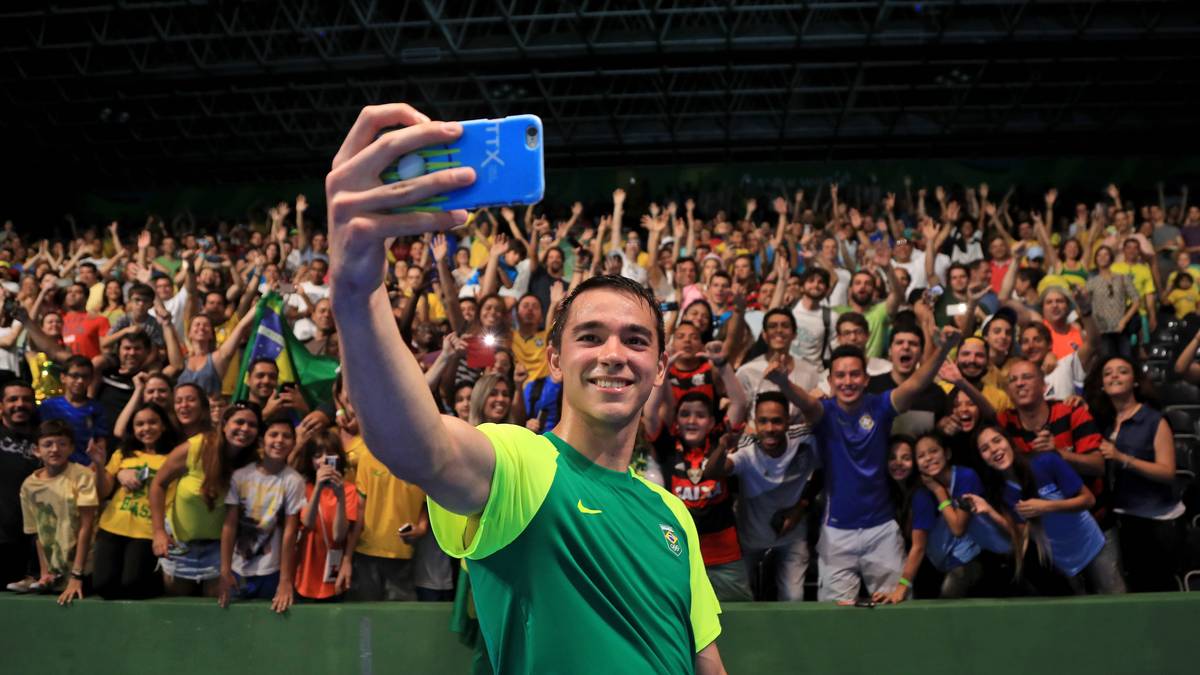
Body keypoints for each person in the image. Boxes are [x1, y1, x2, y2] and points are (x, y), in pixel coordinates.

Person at [331, 107, 723, 674]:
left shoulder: (672, 515)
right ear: (556, 360)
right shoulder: (523, 465)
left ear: (660, 368)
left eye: (635, 340)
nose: (614, 353)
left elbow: (705, 660)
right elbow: (417, 447)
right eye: (591, 337)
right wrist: (356, 289)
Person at [763, 326, 961, 603]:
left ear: (866, 379)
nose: (848, 381)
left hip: (882, 531)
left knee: (897, 610)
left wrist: (945, 347)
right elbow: (806, 402)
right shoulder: (824, 412)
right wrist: (783, 383)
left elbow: (916, 383)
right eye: (840, 376)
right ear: (830, 382)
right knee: (836, 621)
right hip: (836, 534)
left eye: (855, 374)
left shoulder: (881, 407)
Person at [974, 424, 1125, 594]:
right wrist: (989, 511)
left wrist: (1046, 506)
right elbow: (1021, 532)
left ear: (1009, 442)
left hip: (1091, 544)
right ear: (982, 458)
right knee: (1081, 613)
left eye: (997, 441)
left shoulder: (1046, 461)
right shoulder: (1001, 491)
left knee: (1116, 598)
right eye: (985, 449)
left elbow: (1088, 500)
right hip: (1061, 559)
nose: (994, 449)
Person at [702, 392, 821, 601]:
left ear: (787, 421)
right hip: (750, 539)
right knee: (742, 601)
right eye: (763, 421)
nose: (769, 429)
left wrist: (801, 506)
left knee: (793, 599)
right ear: (755, 422)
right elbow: (712, 472)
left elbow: (825, 470)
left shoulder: (805, 439)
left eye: (777, 421)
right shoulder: (746, 447)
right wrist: (723, 445)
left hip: (791, 537)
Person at [1086, 356, 1182, 592]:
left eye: (1122, 372)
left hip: (1156, 522)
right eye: (1108, 373)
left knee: (1157, 589)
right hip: (1122, 519)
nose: (1114, 376)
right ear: (1101, 384)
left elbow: (1167, 471)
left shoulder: (1153, 420)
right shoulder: (1104, 421)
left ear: (1135, 381)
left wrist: (1123, 459)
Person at [646, 391, 751, 602]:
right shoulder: (667, 447)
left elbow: (740, 401)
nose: (692, 420)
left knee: (741, 619)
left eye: (700, 415)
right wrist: (666, 364)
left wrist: (720, 364)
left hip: (725, 557)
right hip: (681, 555)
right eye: (684, 414)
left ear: (712, 422)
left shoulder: (720, 445)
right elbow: (649, 413)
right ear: (676, 421)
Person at [149, 400, 262, 596]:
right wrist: (158, 531)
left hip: (221, 551)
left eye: (252, 425)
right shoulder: (196, 447)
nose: (245, 429)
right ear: (225, 424)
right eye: (239, 422)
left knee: (217, 613)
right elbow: (158, 484)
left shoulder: (253, 463)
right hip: (179, 546)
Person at [91, 402, 179, 599]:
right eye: (139, 424)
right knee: (103, 585)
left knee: (133, 584)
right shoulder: (123, 453)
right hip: (113, 525)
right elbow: (103, 491)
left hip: (148, 530)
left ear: (163, 425)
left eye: (152, 422)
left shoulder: (174, 456)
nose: (146, 428)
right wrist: (100, 464)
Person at [218, 415, 304, 611]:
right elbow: (229, 525)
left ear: (293, 442)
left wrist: (285, 580)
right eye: (273, 435)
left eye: (286, 436)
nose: (279, 440)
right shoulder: (240, 476)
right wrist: (224, 571)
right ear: (261, 440)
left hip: (271, 571)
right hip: (237, 569)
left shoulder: (293, 481)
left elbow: (290, 533)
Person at [19, 420, 99, 605]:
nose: (55, 449)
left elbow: (86, 527)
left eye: (62, 444)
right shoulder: (29, 486)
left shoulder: (82, 475)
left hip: (84, 568)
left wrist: (77, 575)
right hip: (57, 573)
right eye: (48, 444)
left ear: (71, 448)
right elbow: (37, 532)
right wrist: (45, 572)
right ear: (37, 450)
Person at [293, 429, 360, 602]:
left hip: (333, 573)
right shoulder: (302, 487)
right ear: (310, 460)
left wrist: (340, 498)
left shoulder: (349, 491)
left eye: (329, 454)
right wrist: (318, 488)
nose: (323, 460)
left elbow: (339, 535)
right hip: (305, 571)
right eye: (317, 455)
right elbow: (307, 522)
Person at [0, 380, 39, 590]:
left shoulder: (45, 439)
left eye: (26, 399)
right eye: (12, 399)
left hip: (33, 542)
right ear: (1, 405)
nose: (20, 404)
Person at [39, 355, 108, 466]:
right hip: (53, 467)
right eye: (75, 376)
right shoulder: (48, 406)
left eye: (85, 376)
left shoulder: (96, 408)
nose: (80, 381)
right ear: (63, 378)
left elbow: (100, 442)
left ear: (91, 379)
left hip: (85, 469)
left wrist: (95, 466)